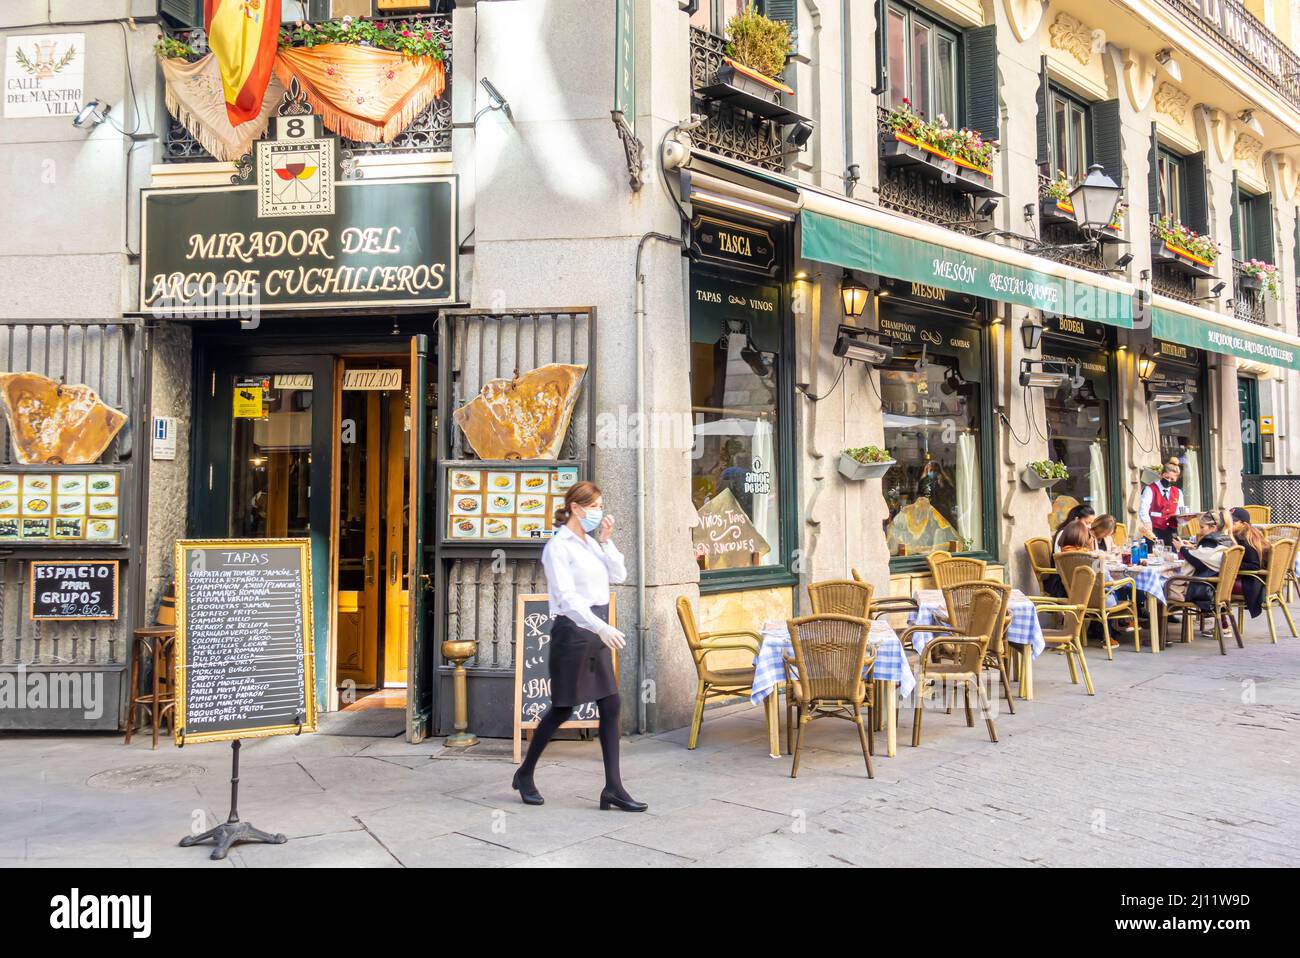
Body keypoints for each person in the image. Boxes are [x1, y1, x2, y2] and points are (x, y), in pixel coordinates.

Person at [511, 482, 646, 812]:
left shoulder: (590, 543)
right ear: (576, 508)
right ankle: (525, 773)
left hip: (596, 626)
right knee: (562, 708)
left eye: (601, 505)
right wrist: (601, 627)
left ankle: (613, 788)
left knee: (611, 704)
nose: (599, 511)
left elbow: (619, 573)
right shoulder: (558, 547)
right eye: (594, 505)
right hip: (572, 632)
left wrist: (607, 541)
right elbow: (568, 600)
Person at [1174, 510, 1233, 634]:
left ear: (1213, 527)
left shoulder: (1210, 541)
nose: (1200, 531)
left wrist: (1182, 549)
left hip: (1205, 589)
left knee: (1165, 585)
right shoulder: (1227, 539)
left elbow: (1198, 562)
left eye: (1202, 527)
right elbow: (1208, 558)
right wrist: (1193, 548)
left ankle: (1159, 633)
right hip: (1218, 588)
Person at [1229, 506, 1268, 619]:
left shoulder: (1246, 540)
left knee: (1217, 586)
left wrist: (1233, 565)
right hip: (1256, 581)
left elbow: (1254, 565)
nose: (1230, 524)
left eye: (1234, 521)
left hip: (1251, 583)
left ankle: (1222, 625)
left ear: (1244, 524)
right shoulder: (1251, 534)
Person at [1139, 460, 1182, 547]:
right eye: (1167, 477)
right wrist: (1147, 522)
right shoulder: (1150, 489)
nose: (1169, 480)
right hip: (1154, 530)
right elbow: (1143, 508)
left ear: (1176, 479)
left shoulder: (1178, 492)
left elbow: (1179, 512)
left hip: (1171, 531)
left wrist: (1184, 519)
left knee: (1172, 557)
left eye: (1172, 479)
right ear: (1162, 474)